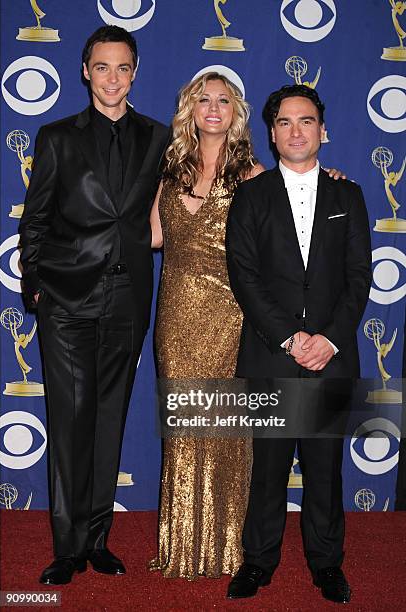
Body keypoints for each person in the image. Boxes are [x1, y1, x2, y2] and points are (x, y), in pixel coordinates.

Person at [19, 25, 169, 585]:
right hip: (65, 301)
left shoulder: (158, 138)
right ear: (86, 72)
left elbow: (209, 178)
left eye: (122, 67)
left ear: (134, 72)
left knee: (109, 423)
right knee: (69, 422)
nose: (111, 78)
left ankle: (98, 539)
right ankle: (66, 545)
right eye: (101, 67)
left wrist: (313, 179)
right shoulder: (56, 137)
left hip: (127, 300)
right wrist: (35, 286)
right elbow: (33, 221)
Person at [226, 84, 371, 603]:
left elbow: (359, 277)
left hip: (332, 357)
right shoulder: (251, 195)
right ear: (272, 133)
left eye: (305, 121)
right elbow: (244, 276)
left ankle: (327, 564)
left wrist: (328, 340)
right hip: (272, 352)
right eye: (284, 122)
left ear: (322, 130)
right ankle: (258, 563)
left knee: (325, 470)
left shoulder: (348, 195)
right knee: (266, 469)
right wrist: (291, 338)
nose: (295, 130)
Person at [149, 72, 265, 579]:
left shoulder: (252, 174)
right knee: (183, 428)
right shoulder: (171, 170)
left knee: (222, 429)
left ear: (235, 111)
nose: (213, 108)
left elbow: (283, 232)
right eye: (203, 100)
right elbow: (151, 236)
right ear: (189, 110)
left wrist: (331, 183)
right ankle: (180, 548)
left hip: (231, 313)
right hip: (175, 313)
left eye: (223, 100)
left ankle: (228, 550)